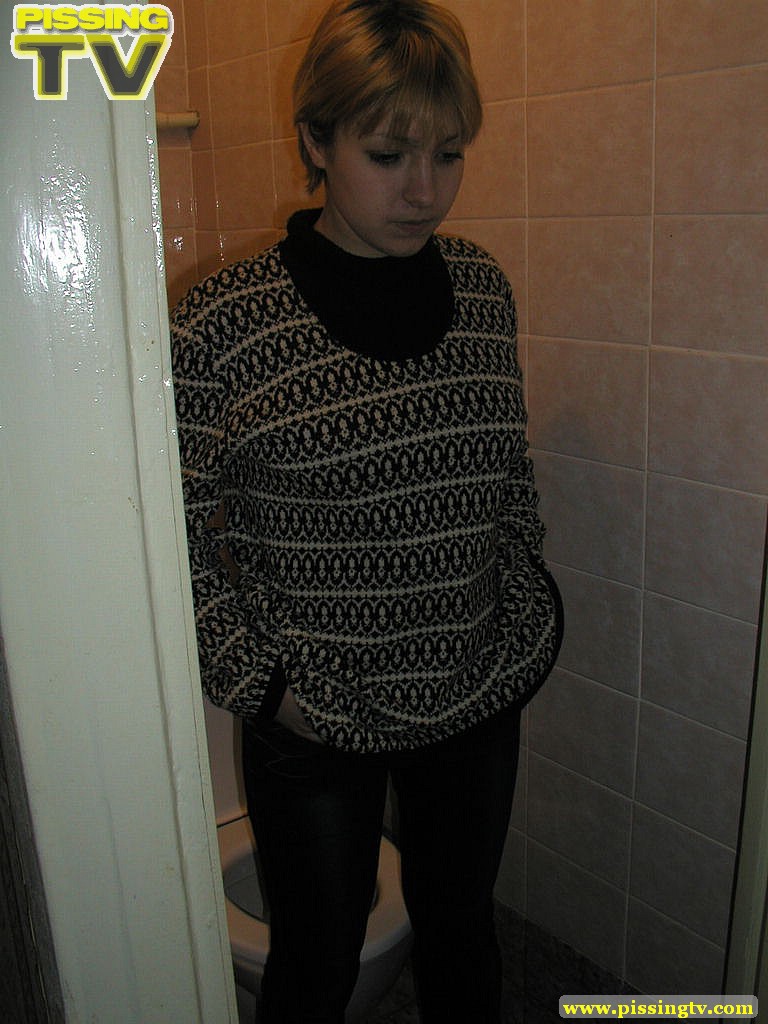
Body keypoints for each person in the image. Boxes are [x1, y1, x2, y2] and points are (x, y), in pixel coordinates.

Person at [171, 1, 563, 1021]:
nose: (423, 190)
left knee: (462, 933)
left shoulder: (481, 289)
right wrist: (264, 686)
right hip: (314, 713)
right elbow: (172, 540)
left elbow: (506, 475)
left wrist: (525, 600)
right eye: (388, 154)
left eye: (449, 153)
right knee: (316, 962)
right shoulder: (225, 322)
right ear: (315, 139)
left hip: (475, 684)